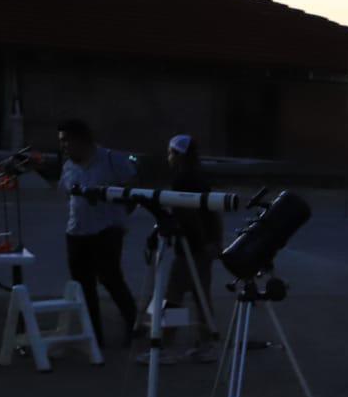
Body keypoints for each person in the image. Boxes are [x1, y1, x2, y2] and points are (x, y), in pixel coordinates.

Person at [42, 119, 139, 345]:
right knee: (83, 285)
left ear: (82, 139)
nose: (64, 146)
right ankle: (94, 335)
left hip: (107, 229)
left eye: (67, 140)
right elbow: (69, 196)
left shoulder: (111, 160)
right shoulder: (68, 166)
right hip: (77, 232)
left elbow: (133, 188)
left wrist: (120, 213)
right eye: (61, 142)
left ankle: (133, 325)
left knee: (110, 278)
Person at [155, 134, 221, 362]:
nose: (168, 157)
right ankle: (207, 343)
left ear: (179, 155)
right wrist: (214, 241)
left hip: (192, 246)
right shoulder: (199, 176)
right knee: (201, 296)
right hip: (202, 245)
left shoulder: (183, 180)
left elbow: (189, 213)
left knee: (174, 295)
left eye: (170, 153)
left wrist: (198, 241)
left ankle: (165, 345)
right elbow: (212, 211)